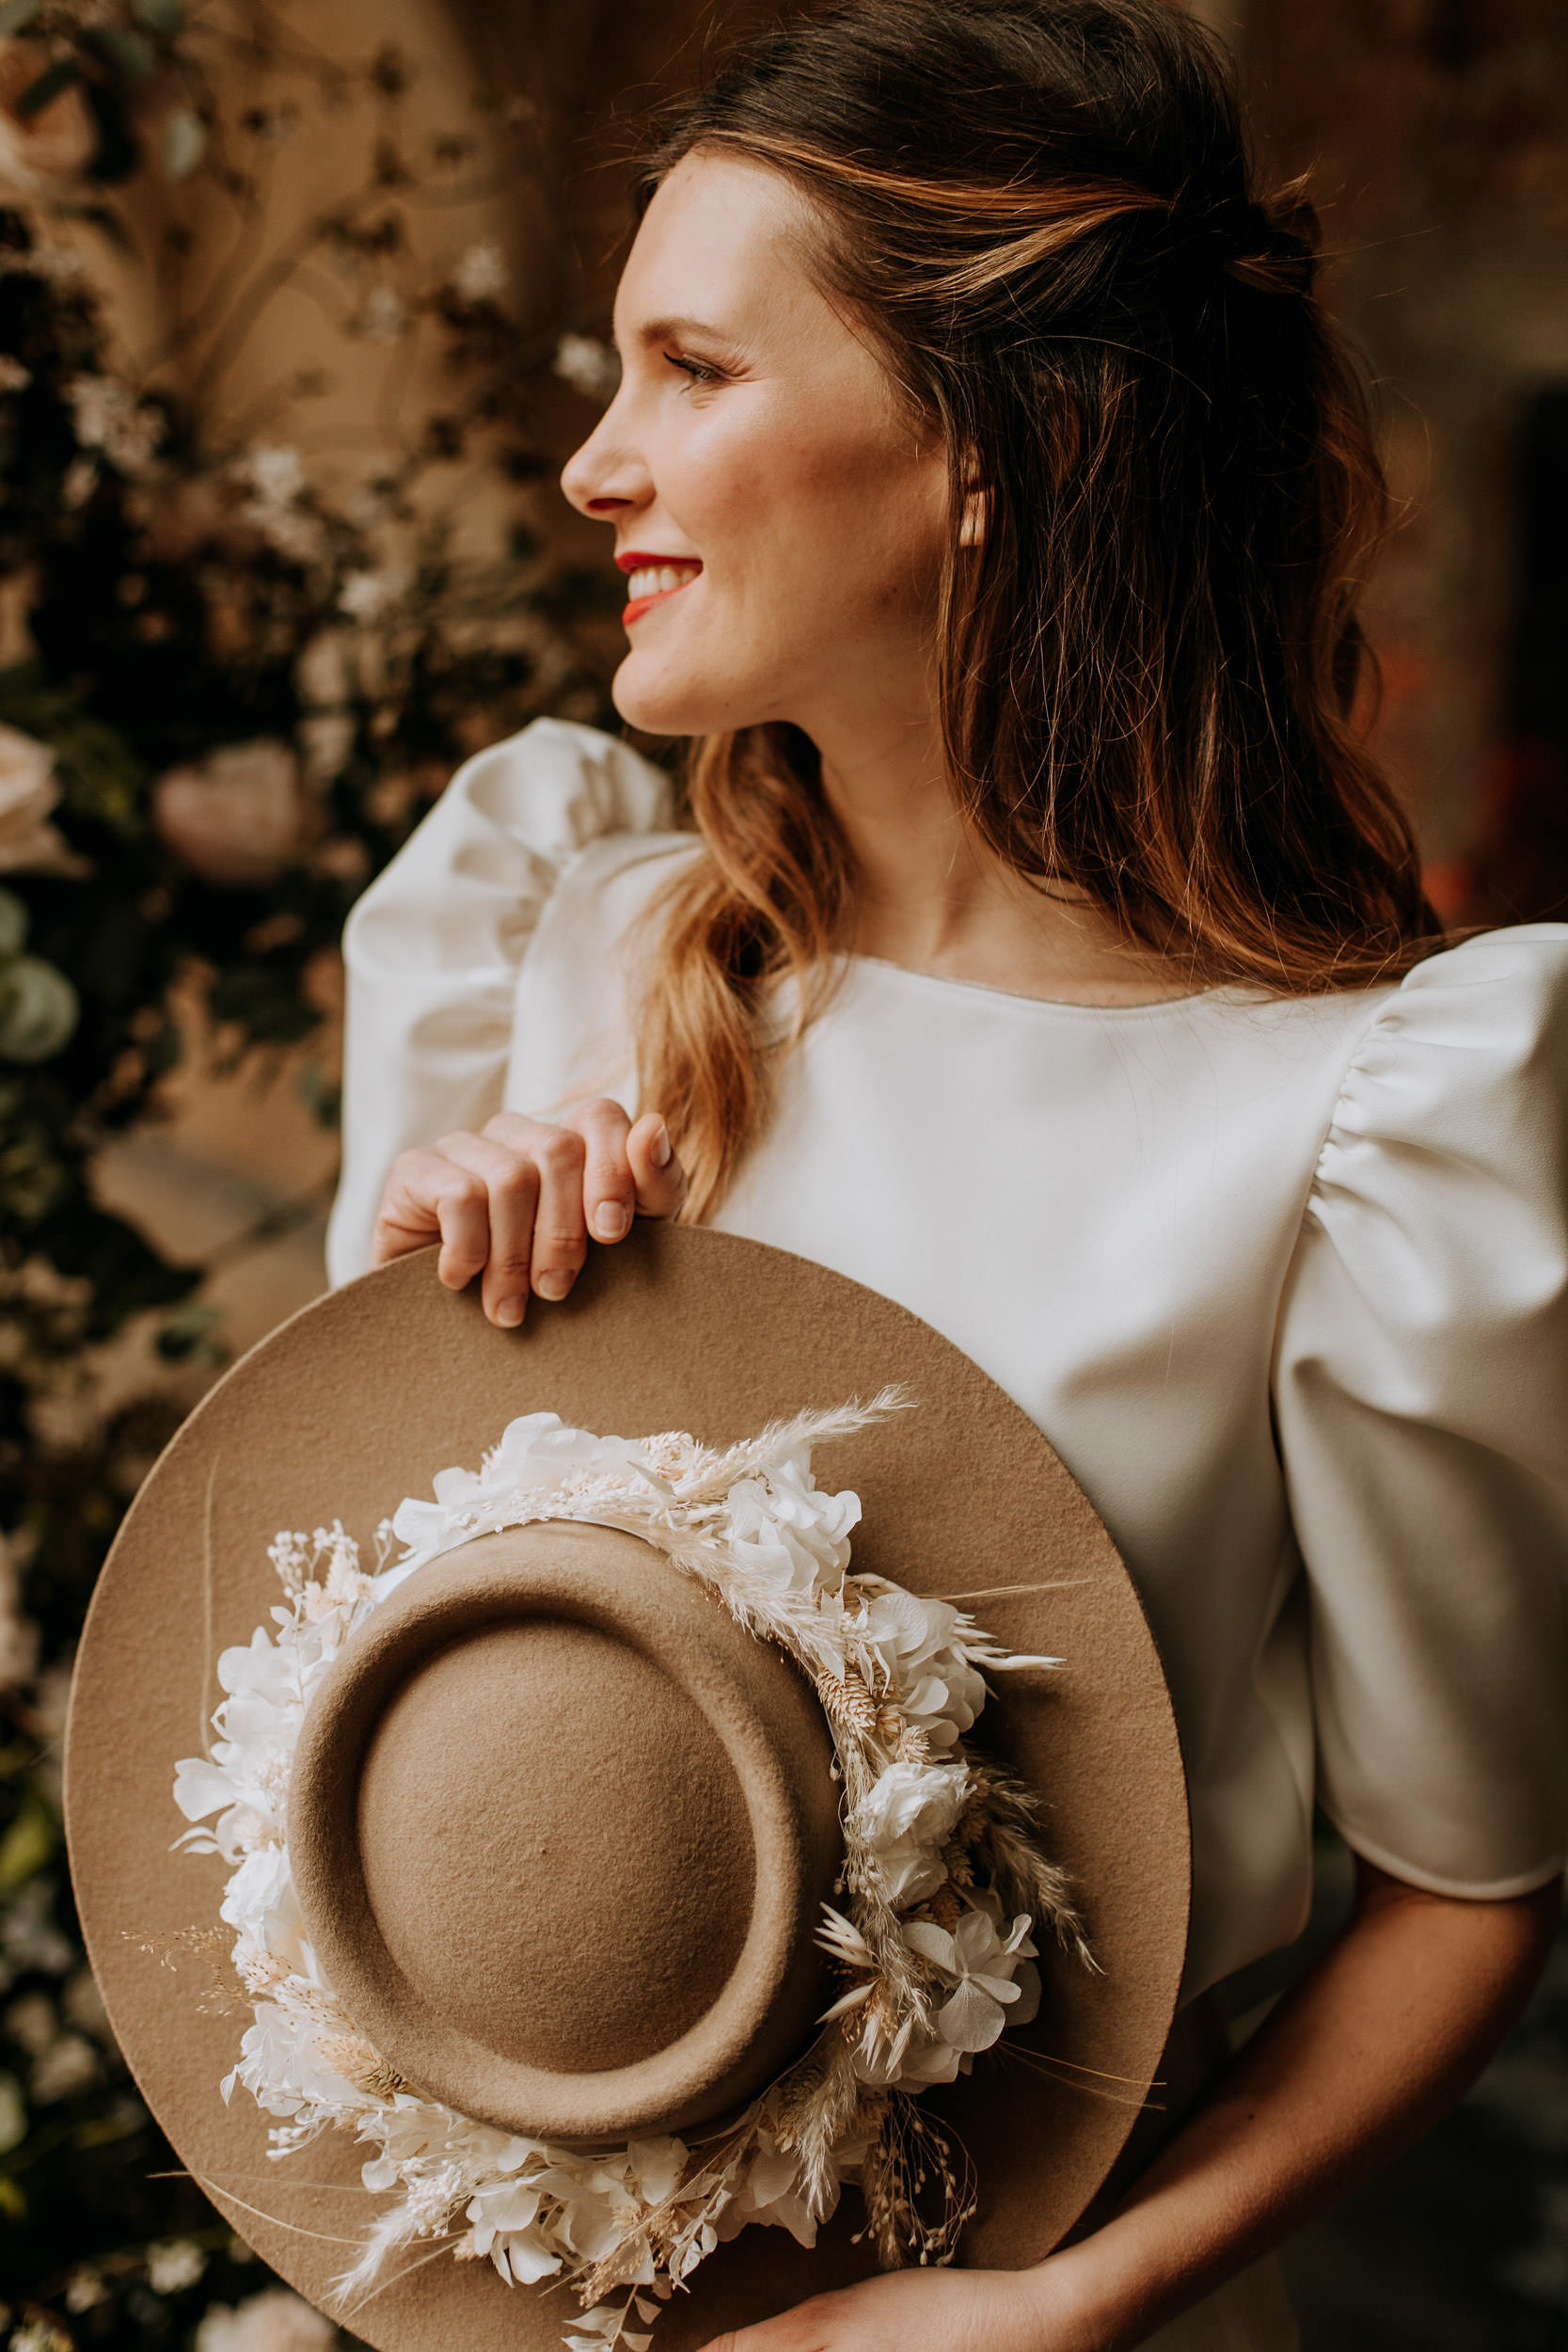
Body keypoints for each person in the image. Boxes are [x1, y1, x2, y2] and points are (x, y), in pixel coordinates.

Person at [323, 3, 1568, 2345]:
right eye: (621, 370)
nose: (598, 461)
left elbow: (1469, 1889)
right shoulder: (558, 940)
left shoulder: (1367, 1124)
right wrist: (403, 1312)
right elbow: (379, 1720)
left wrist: (1079, 2303)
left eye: (693, 368)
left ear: (987, 453)